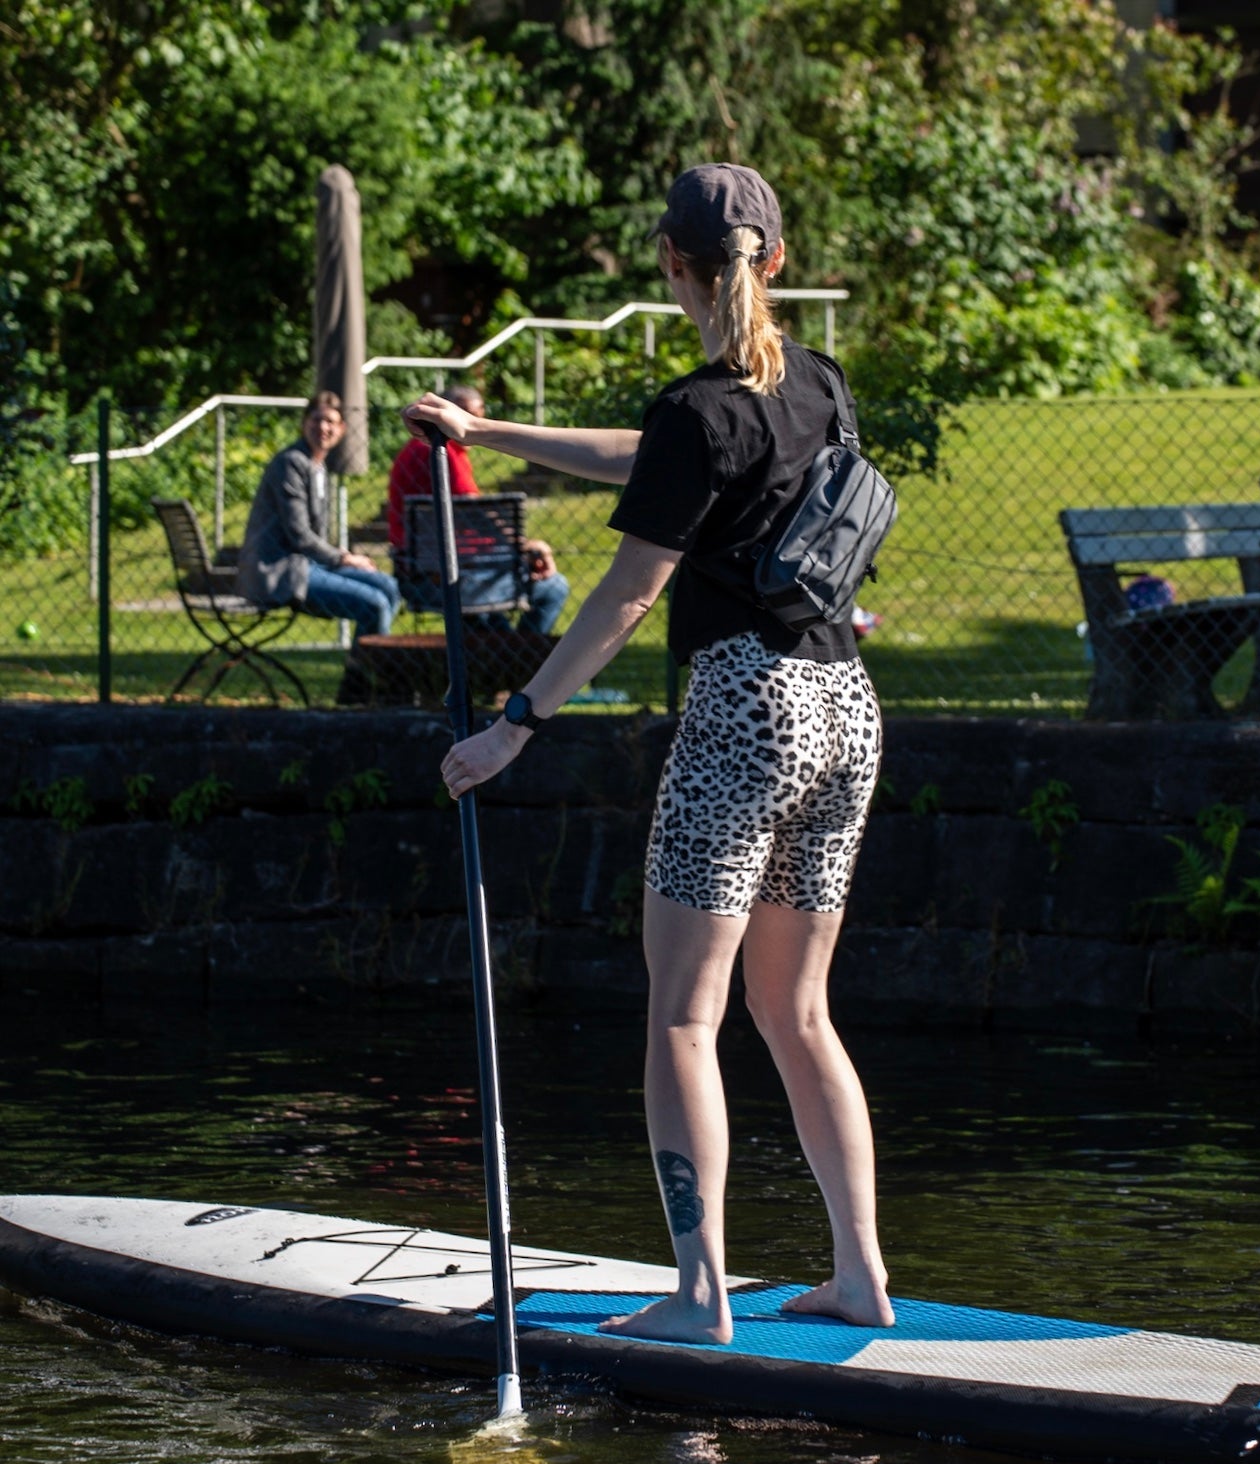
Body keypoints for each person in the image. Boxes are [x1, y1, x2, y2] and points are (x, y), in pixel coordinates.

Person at [406, 163, 893, 1346]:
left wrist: (515, 724)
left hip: (742, 706)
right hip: (847, 708)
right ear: (774, 261)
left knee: (684, 1018)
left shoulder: (698, 407)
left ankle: (697, 1296)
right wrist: (494, 432)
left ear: (669, 263)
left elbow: (630, 589)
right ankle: (860, 1276)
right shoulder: (819, 385)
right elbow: (660, 455)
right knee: (799, 1014)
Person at [387, 384, 570, 635]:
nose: (473, 422)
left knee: (492, 627)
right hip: (454, 577)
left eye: (477, 415)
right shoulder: (443, 451)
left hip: (421, 572)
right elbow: (478, 512)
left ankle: (509, 662)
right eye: (466, 414)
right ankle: (521, 662)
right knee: (555, 587)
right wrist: (528, 547)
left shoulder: (418, 449)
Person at [238, 392, 402, 638]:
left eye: (331, 422)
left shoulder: (319, 467)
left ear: (342, 428)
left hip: (309, 565)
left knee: (390, 587)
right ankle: (364, 674)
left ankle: (364, 669)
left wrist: (339, 558)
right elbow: (299, 534)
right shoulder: (290, 463)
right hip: (281, 572)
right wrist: (345, 558)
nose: (323, 427)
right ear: (304, 423)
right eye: (316, 420)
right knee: (374, 604)